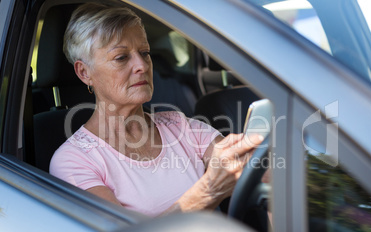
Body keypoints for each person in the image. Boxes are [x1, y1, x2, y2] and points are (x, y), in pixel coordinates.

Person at [50, 2, 264, 217]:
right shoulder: (73, 160)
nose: (142, 65)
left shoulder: (179, 125)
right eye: (121, 57)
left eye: (144, 52)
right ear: (84, 72)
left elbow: (259, 178)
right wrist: (208, 190)